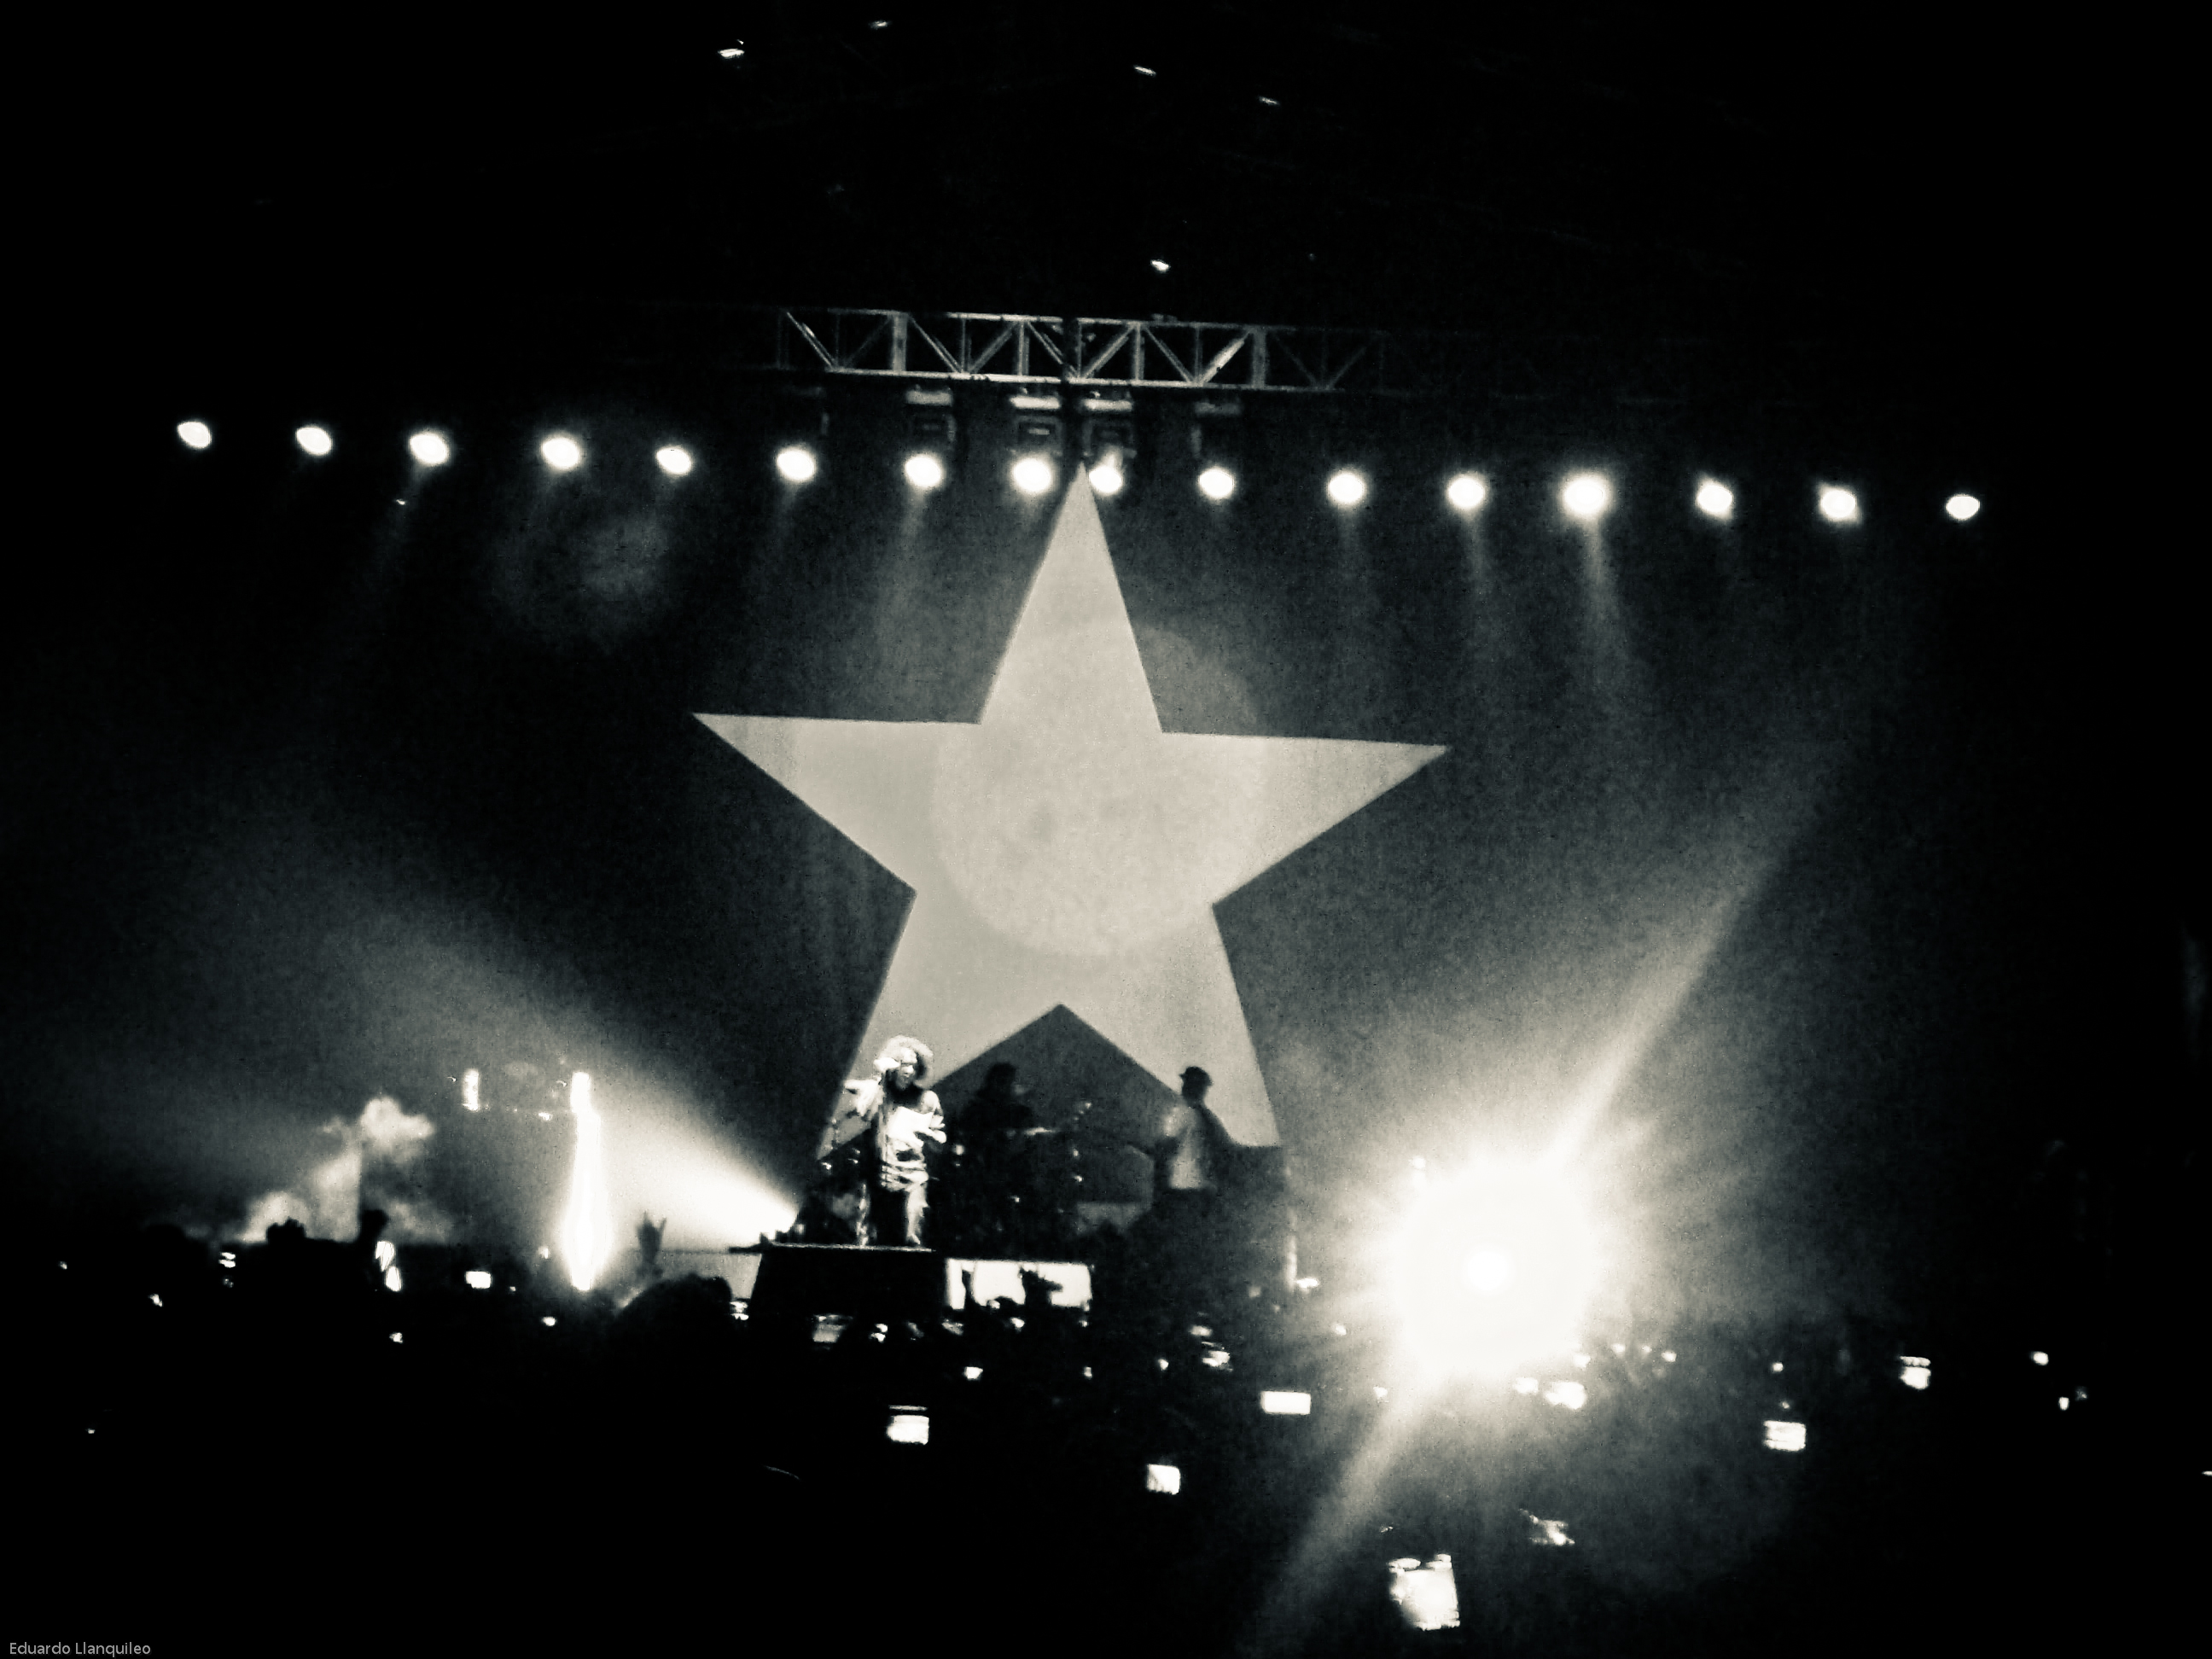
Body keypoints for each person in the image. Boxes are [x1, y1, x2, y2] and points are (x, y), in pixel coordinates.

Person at [815, 1036, 946, 1247]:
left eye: (914, 1066)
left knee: (913, 1235)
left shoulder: (928, 1099)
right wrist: (879, 1077)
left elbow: (941, 1140)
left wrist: (931, 1137)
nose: (909, 1070)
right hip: (878, 1180)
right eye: (904, 1065)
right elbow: (859, 1108)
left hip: (913, 1178)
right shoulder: (879, 1092)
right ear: (894, 1066)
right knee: (872, 1239)